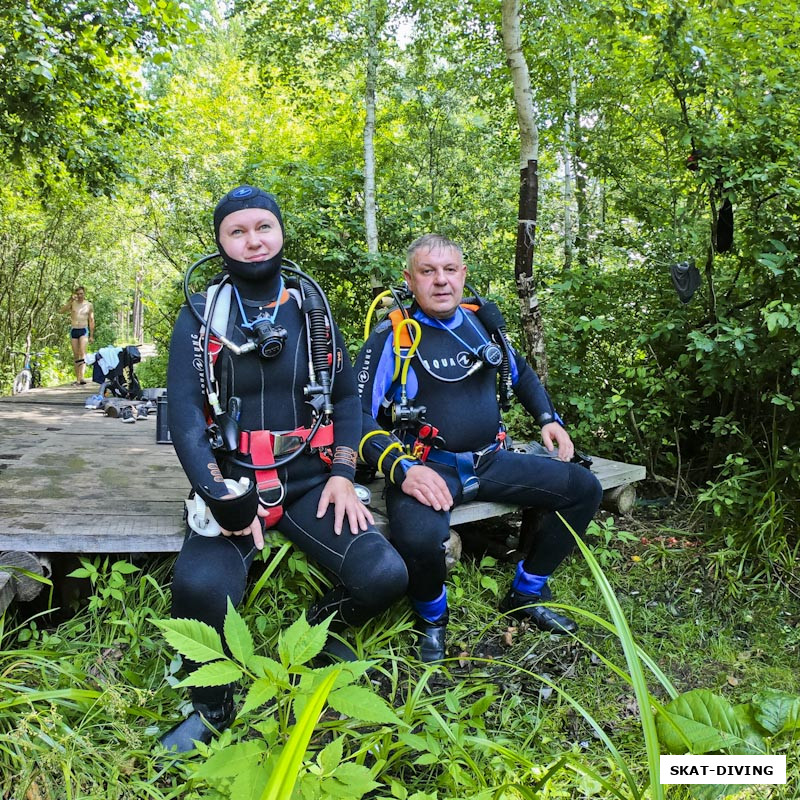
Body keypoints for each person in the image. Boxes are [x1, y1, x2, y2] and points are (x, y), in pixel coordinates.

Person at [160, 186, 408, 752]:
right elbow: (184, 416)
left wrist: (344, 473)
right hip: (234, 480)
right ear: (220, 242)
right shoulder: (200, 317)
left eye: (263, 227)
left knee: (386, 576)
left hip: (309, 479)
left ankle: (319, 633)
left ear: (281, 232)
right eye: (237, 231)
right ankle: (212, 707)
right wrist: (215, 491)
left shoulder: (312, 310)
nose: (253, 241)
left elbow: (348, 402)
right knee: (199, 588)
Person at [355, 234, 603, 663]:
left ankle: (526, 593)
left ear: (463, 274)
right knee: (423, 541)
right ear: (409, 279)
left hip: (491, 460)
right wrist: (399, 468)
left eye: (450, 270)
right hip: (423, 468)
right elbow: (354, 416)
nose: (441, 281)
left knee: (584, 489)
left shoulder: (480, 322)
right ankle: (433, 619)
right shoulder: (391, 338)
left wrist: (549, 420)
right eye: (428, 271)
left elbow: (519, 371)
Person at [60, 286, 94, 385]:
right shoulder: (73, 304)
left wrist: (91, 335)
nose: (79, 296)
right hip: (74, 329)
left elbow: (91, 320)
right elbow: (61, 311)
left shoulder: (88, 305)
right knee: (76, 354)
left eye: (81, 294)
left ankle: (81, 377)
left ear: (84, 294)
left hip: (83, 329)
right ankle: (77, 378)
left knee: (82, 352)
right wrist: (70, 301)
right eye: (78, 294)